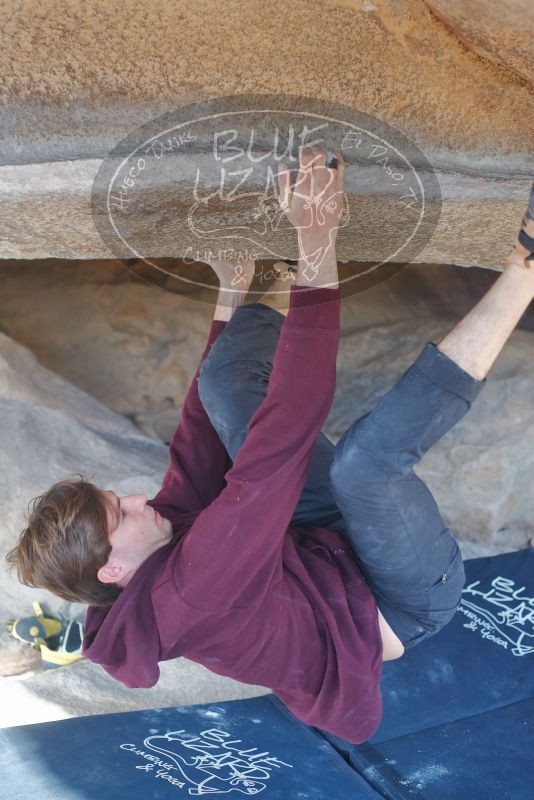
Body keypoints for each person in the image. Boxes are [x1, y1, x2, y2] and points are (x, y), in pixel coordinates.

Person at [6, 145, 534, 744]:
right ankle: (526, 265)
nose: (133, 497)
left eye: (115, 496)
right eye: (118, 512)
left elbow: (196, 441)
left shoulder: (151, 547)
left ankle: (282, 270)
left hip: (320, 551)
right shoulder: (195, 588)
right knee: (363, 467)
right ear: (115, 568)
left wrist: (230, 290)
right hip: (402, 601)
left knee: (221, 387)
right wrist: (319, 238)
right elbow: (287, 425)